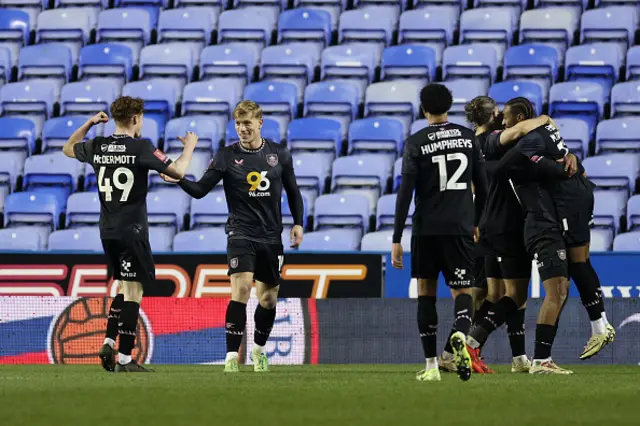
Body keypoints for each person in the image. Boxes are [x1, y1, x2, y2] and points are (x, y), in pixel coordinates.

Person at [161, 100, 305, 373]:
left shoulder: (279, 154)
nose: (242, 129)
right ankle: (230, 357)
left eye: (247, 123)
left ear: (259, 123)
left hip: (271, 236)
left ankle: (259, 351)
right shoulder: (227, 155)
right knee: (240, 289)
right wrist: (179, 179)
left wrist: (298, 223)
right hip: (240, 233)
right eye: (238, 124)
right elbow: (201, 190)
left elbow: (294, 191)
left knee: (268, 299)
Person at [62, 96, 197, 373]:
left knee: (124, 288)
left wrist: (89, 123)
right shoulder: (141, 147)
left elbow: (67, 148)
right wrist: (190, 147)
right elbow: (180, 171)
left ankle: (110, 340)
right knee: (134, 292)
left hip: (107, 230)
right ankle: (124, 358)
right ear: (136, 118)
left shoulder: (98, 146)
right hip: (132, 230)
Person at [490, 97, 604, 374]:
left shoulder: (533, 143)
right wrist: (560, 165)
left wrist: (566, 159)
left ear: (518, 118)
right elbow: (505, 164)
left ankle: (535, 359)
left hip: (545, 223)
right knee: (550, 291)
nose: (503, 124)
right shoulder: (509, 144)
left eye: (506, 118)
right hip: (538, 226)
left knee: (552, 290)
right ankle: (539, 360)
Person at [392, 83, 488, 382]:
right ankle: (459, 333)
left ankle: (432, 366)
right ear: (449, 106)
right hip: (459, 227)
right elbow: (483, 188)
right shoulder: (468, 137)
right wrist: (477, 223)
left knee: (426, 296)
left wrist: (396, 238)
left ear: (424, 109)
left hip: (426, 229)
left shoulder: (415, 142)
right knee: (464, 292)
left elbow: (405, 193)